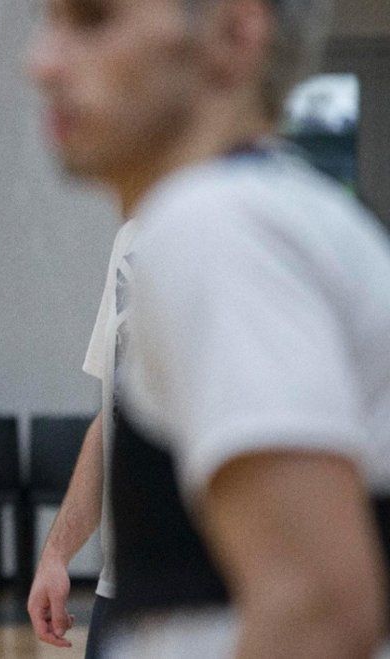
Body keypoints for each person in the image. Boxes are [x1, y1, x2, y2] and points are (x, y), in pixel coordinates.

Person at [30, 0, 390, 656]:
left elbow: (317, 613)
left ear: (234, 33)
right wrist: (60, 548)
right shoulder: (251, 214)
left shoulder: (219, 228)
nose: (42, 63)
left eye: (94, 20)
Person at [27, 217, 137, 657]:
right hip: (124, 588)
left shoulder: (246, 232)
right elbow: (113, 420)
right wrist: (56, 554)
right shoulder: (131, 237)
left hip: (210, 600)